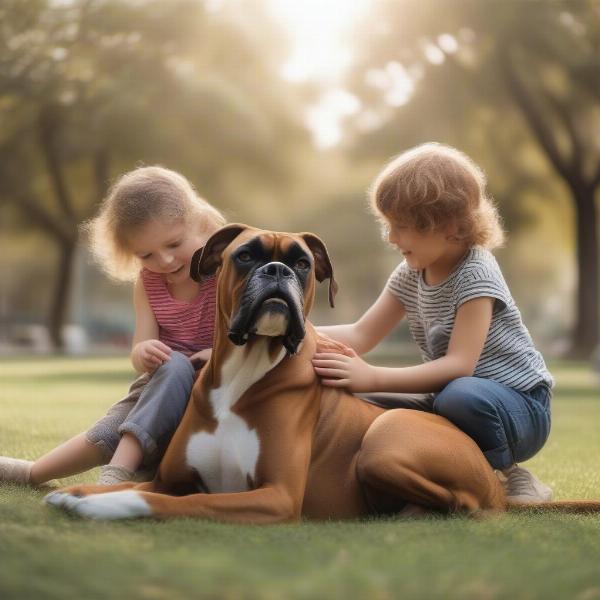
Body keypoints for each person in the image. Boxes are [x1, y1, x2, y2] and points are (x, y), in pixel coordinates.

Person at [313, 143, 554, 503]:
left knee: (460, 395)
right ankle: (405, 472)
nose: (392, 238)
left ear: (452, 227)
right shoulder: (412, 271)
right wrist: (295, 333)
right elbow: (361, 334)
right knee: (358, 395)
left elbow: (460, 365)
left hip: (520, 408)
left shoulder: (476, 273)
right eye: (388, 225)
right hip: (448, 398)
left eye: (402, 226)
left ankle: (507, 474)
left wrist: (373, 374)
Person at [0, 166, 225, 486]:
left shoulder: (224, 273)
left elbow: (249, 340)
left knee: (178, 368)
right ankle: (33, 473)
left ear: (201, 226)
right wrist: (143, 352)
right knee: (111, 428)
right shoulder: (148, 284)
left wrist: (215, 354)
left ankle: (119, 473)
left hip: (214, 387)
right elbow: (138, 353)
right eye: (146, 254)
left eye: (174, 244)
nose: (164, 261)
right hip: (160, 389)